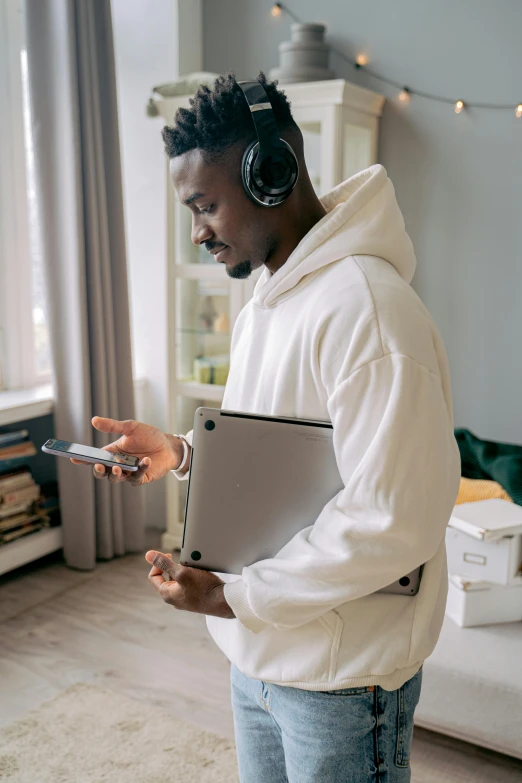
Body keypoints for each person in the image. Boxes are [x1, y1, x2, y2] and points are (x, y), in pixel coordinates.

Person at [73, 71, 461, 782]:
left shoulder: (370, 313)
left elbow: (393, 518)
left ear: (272, 173)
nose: (196, 233)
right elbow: (287, 456)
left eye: (205, 205)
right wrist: (185, 453)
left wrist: (229, 594)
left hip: (341, 684)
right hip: (256, 658)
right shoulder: (268, 298)